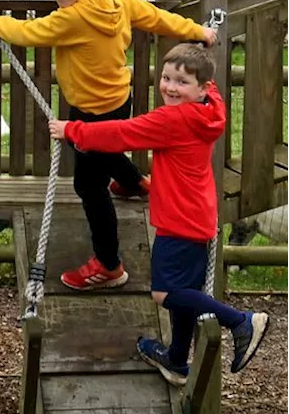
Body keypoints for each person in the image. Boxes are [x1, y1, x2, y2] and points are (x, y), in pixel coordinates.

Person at [0, 0, 217, 291]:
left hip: (92, 112)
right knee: (106, 152)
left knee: (88, 184)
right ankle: (134, 182)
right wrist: (198, 31)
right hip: (118, 98)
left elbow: (28, 32)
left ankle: (109, 265)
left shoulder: (74, 18)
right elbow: (154, 16)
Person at [49, 44, 270, 384]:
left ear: (199, 88)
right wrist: (198, 57)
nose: (169, 87)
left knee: (163, 294)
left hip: (178, 219)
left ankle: (241, 321)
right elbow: (210, 85)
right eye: (166, 78)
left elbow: (122, 133)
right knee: (184, 292)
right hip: (199, 213)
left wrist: (72, 129)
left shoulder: (174, 119)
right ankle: (177, 360)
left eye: (181, 82)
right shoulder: (210, 107)